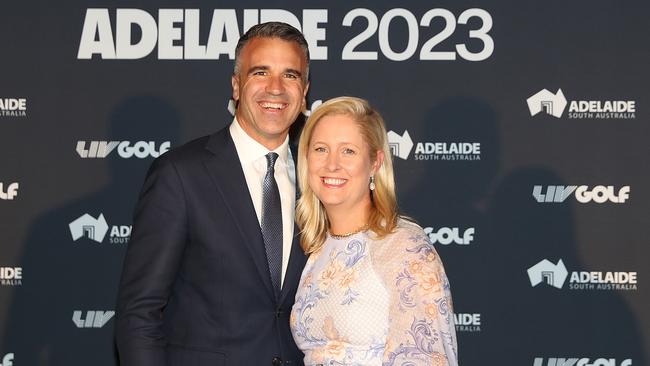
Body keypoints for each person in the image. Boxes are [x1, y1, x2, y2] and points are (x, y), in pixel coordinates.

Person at [115, 22, 310, 366]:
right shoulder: (180, 174)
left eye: (290, 75)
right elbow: (140, 314)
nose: (276, 88)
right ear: (236, 86)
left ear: (305, 91)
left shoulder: (319, 177)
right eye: (260, 72)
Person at [290, 97, 458, 366]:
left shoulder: (402, 246)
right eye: (321, 149)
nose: (332, 164)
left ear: (375, 163)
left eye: (348, 151)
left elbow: (428, 358)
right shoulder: (315, 249)